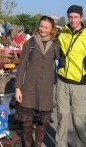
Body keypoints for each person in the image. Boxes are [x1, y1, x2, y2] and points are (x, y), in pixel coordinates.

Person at [55, 5, 86, 147]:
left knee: (78, 121)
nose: (73, 20)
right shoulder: (63, 34)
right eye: (70, 17)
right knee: (62, 118)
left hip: (79, 84)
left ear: (81, 18)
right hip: (62, 81)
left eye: (75, 17)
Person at [14, 16, 60, 147]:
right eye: (41, 26)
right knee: (26, 121)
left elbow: (62, 62)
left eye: (46, 27)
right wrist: (18, 88)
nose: (43, 30)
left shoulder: (56, 44)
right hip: (30, 87)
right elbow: (22, 66)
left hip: (46, 89)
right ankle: (28, 144)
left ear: (51, 29)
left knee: (42, 122)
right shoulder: (31, 43)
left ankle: (38, 144)